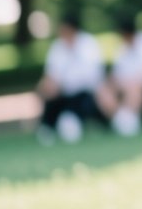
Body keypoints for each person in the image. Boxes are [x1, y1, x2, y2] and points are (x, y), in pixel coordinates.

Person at [35, 10, 107, 145]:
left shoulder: (88, 45)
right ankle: (47, 125)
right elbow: (52, 74)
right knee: (49, 92)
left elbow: (94, 76)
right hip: (63, 93)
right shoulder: (57, 47)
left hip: (85, 93)